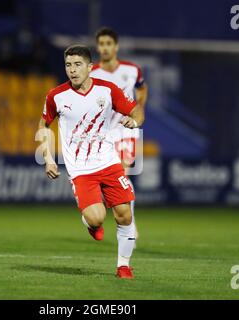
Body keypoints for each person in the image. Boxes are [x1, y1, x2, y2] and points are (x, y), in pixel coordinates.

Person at [38, 45, 144, 278]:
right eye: (68, 65)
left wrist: (134, 122)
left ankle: (123, 266)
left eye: (77, 65)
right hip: (80, 170)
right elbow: (44, 126)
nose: (72, 70)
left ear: (90, 67)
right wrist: (48, 158)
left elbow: (136, 110)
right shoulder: (56, 96)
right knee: (96, 218)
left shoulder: (107, 90)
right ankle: (91, 224)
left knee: (124, 214)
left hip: (108, 162)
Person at [90, 27, 148, 244]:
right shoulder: (92, 73)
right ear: (97, 47)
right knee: (107, 181)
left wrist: (139, 108)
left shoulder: (132, 70)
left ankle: (129, 224)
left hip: (126, 131)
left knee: (122, 175)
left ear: (116, 47)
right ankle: (99, 216)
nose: (104, 48)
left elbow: (142, 89)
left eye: (108, 44)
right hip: (102, 134)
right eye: (101, 44)